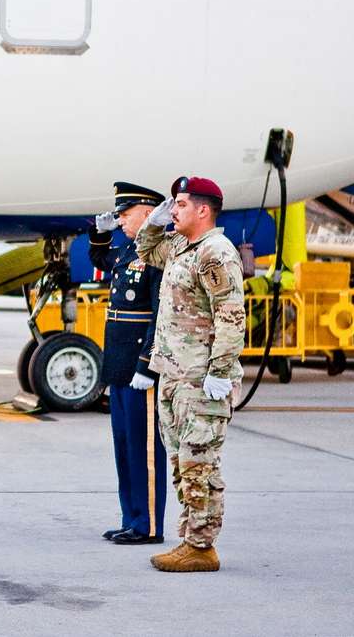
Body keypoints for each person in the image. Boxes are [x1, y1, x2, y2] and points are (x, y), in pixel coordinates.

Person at [135, 176, 246, 573]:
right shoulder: (183, 245)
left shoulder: (216, 254)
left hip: (201, 380)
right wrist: (154, 221)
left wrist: (219, 371)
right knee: (182, 462)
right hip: (173, 374)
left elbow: (232, 318)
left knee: (200, 463)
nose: (174, 210)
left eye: (180, 204)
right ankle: (189, 539)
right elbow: (146, 252)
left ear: (203, 210)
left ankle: (202, 547)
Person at [89, 182, 167, 546]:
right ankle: (130, 517)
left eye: (125, 213)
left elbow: (160, 316)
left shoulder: (158, 255)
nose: (119, 220)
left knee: (145, 448)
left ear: (148, 213)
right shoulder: (127, 251)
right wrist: (98, 235)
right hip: (119, 365)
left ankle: (149, 524)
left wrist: (147, 364)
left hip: (139, 367)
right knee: (124, 446)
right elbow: (100, 261)